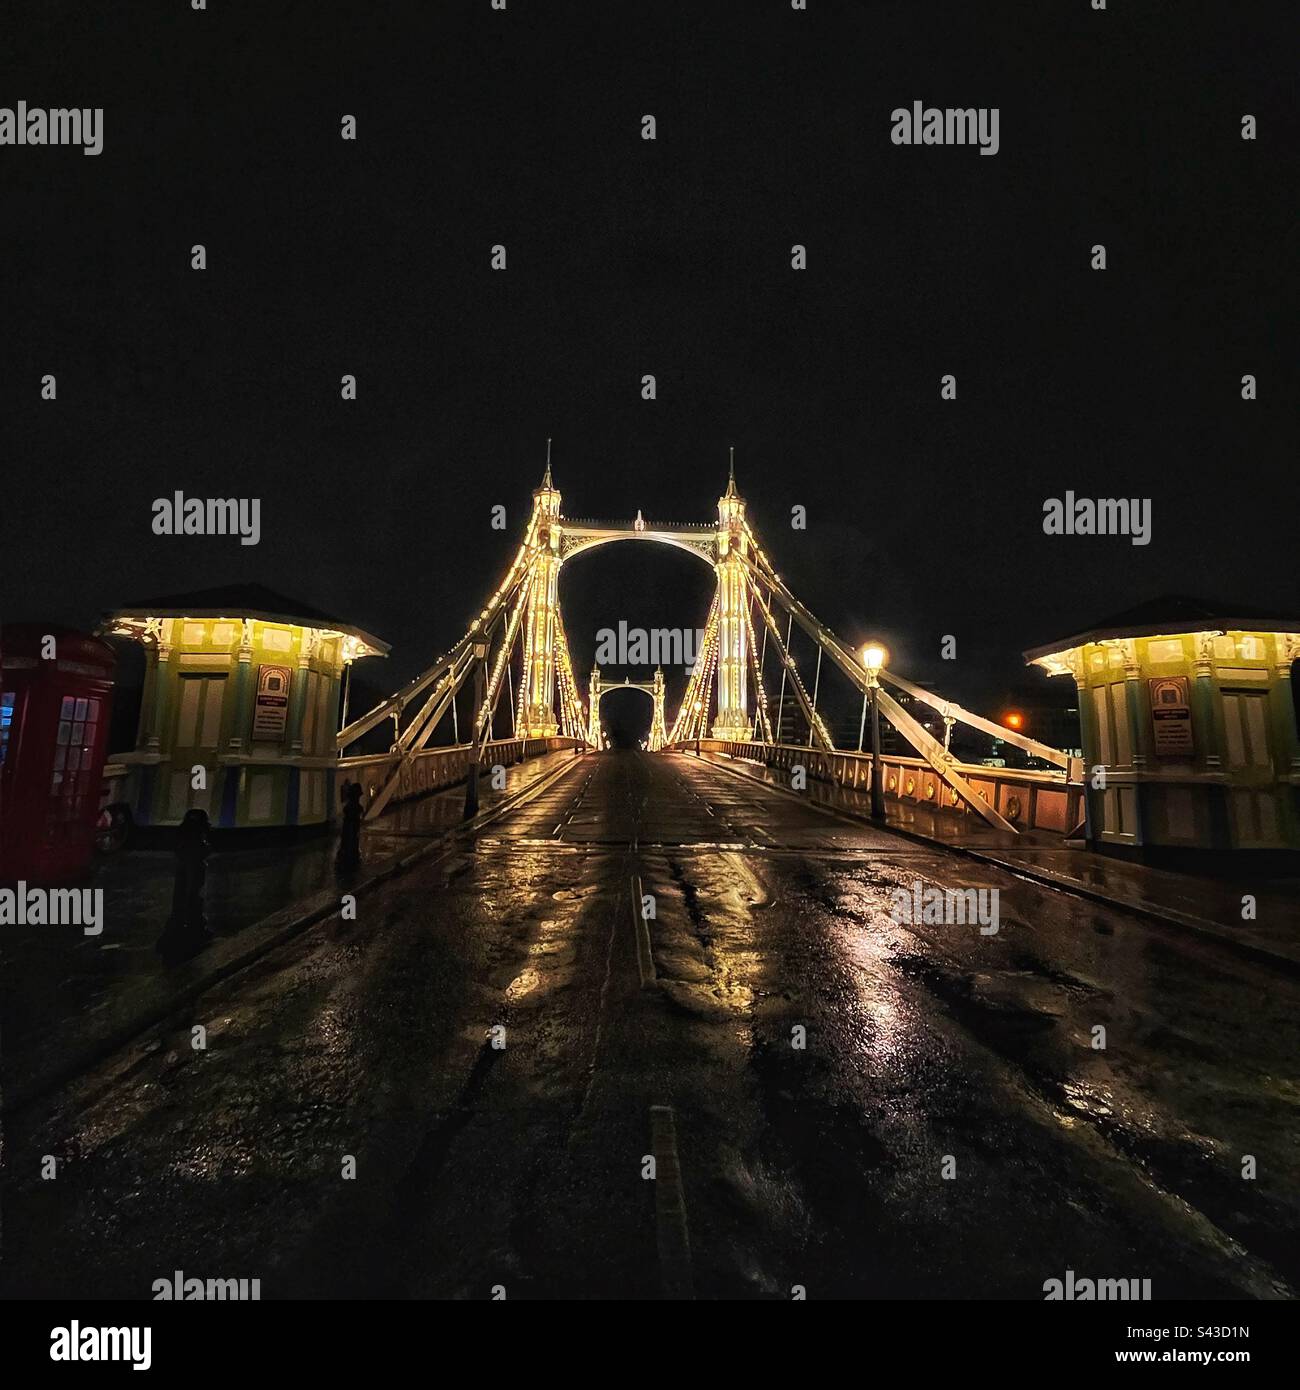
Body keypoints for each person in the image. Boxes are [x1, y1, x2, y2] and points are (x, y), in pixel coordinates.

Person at [155, 808, 213, 965]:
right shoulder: (195, 854)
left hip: (183, 909)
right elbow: (192, 890)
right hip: (188, 912)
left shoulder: (185, 852)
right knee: (192, 901)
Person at [336, 780, 363, 871]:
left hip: (349, 826)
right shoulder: (355, 807)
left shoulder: (349, 807)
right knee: (352, 840)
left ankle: (348, 857)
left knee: (348, 840)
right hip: (352, 826)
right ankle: (351, 858)